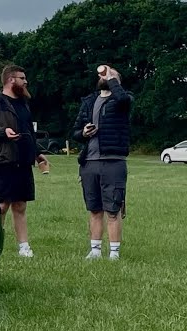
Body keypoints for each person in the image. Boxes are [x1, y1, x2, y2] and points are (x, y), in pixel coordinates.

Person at [0, 65, 50, 258]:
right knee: (2, 206)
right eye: (22, 78)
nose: (25, 81)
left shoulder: (23, 104)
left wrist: (37, 154)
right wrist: (3, 132)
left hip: (23, 160)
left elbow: (29, 133)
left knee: (20, 205)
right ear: (11, 80)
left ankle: (24, 247)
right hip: (3, 161)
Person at [71, 64, 133, 261]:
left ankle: (114, 253)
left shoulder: (123, 99)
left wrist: (113, 77)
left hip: (113, 162)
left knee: (112, 209)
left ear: (117, 81)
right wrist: (83, 133)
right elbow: (75, 132)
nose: (104, 76)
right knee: (94, 209)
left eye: (110, 74)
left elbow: (122, 98)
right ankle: (95, 250)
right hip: (89, 162)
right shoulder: (89, 101)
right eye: (104, 75)